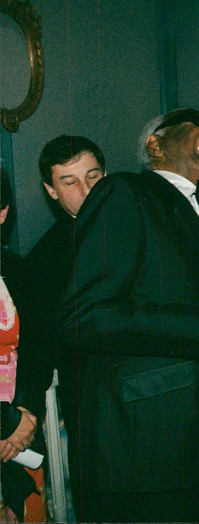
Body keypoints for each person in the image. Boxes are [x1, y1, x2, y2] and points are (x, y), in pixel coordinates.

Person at [57, 108, 199, 522]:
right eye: (198, 123)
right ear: (155, 145)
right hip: (148, 451)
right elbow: (84, 316)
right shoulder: (124, 192)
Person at [12, 135, 107, 518]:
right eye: (70, 182)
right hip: (92, 406)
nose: (86, 190)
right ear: (51, 190)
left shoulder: (145, 222)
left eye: (93, 176)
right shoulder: (43, 262)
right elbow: (38, 345)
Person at [0, 168, 46, 522]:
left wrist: (25, 413)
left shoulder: (16, 268)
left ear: (2, 212)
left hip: (20, 431)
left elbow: (39, 345)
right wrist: (6, 424)